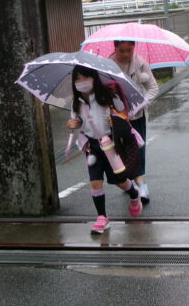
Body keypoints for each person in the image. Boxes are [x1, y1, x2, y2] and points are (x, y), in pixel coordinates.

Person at [66, 65, 143, 235]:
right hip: (92, 146)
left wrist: (115, 117)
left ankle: (133, 193)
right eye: (78, 79)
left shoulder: (108, 96)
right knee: (95, 181)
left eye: (85, 77)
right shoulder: (76, 104)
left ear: (94, 78)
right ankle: (102, 217)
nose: (82, 82)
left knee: (119, 180)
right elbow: (77, 123)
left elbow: (124, 113)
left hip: (111, 145)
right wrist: (73, 124)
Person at [110, 40, 158, 203]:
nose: (126, 54)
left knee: (138, 149)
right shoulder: (107, 65)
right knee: (119, 152)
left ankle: (142, 186)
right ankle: (128, 182)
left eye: (129, 50)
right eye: (121, 50)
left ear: (134, 48)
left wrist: (140, 104)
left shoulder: (140, 63)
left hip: (137, 116)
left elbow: (153, 88)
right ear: (115, 48)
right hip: (115, 118)